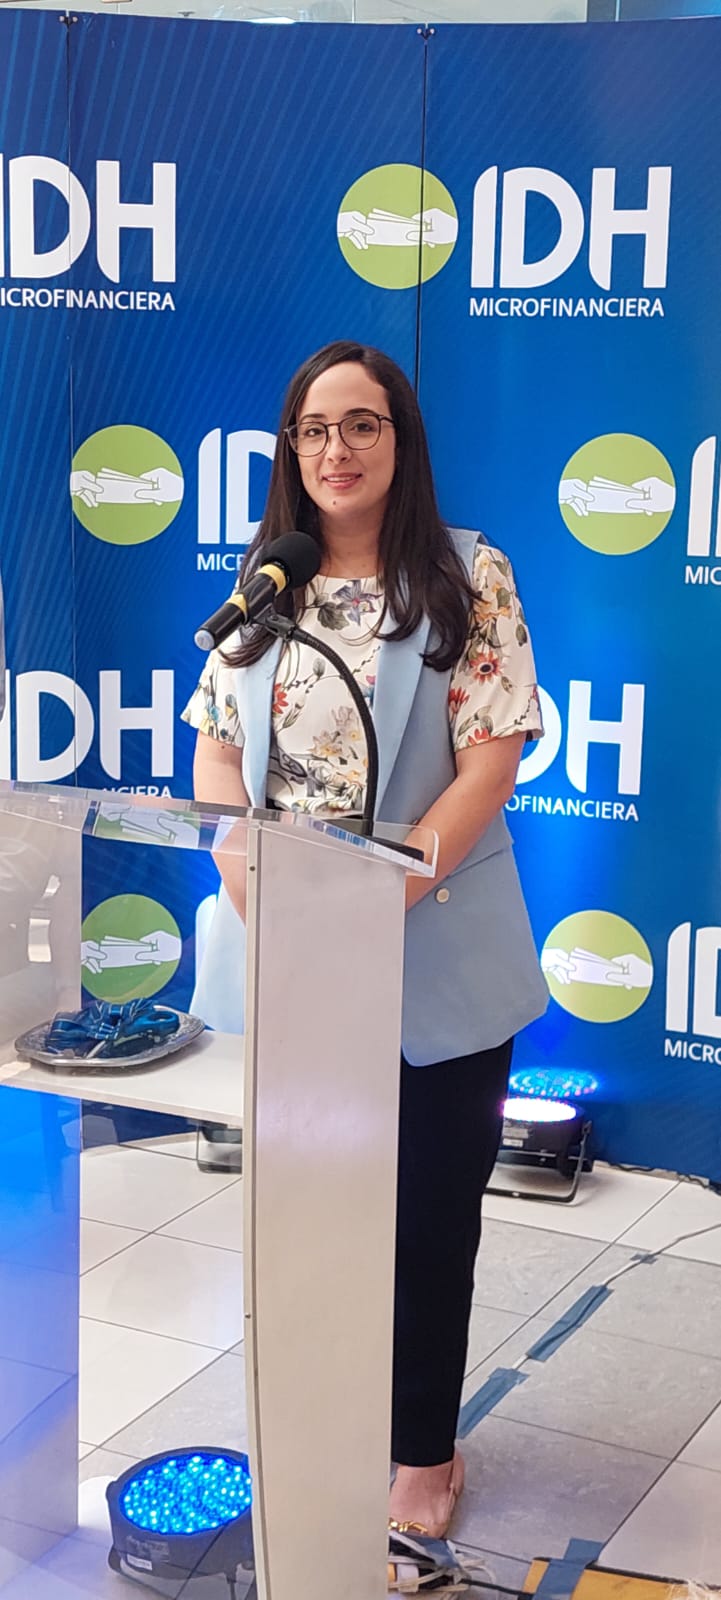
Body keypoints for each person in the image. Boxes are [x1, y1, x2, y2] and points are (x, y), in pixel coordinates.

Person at [182, 339, 548, 1539]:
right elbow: (218, 748)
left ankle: (420, 1450)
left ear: (400, 440)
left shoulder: (465, 572)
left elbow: (491, 758)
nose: (334, 449)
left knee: (428, 1218)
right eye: (312, 429)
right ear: (290, 450)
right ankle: (316, 1421)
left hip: (428, 949)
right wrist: (236, 854)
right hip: (291, 958)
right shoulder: (264, 587)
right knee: (308, 1217)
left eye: (360, 424)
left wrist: (379, 894)